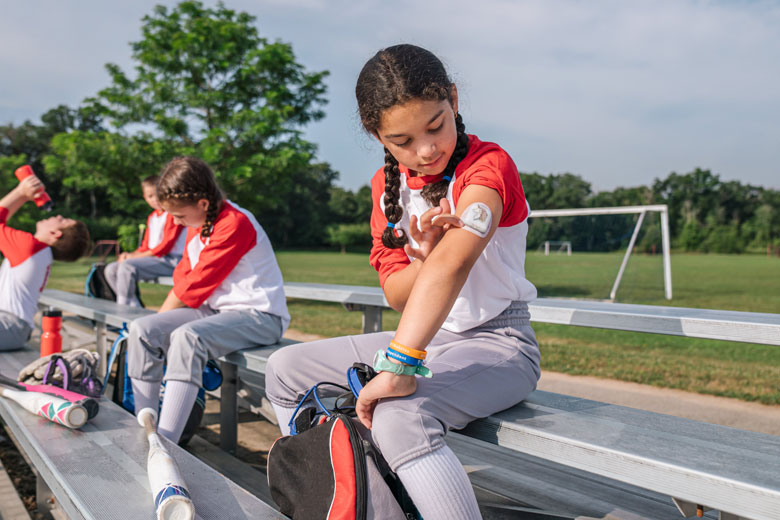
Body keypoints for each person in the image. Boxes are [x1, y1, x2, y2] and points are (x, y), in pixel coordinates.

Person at [265, 44, 540, 519]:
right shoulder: (383, 188)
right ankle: (369, 506)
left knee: (399, 416)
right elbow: (396, 292)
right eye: (403, 140)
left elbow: (455, 265)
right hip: (431, 340)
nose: (426, 149)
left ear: (454, 100)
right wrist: (423, 261)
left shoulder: (487, 166)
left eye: (436, 126)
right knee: (285, 369)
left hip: (501, 342)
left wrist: (399, 365)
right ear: (377, 135)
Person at [126, 156, 289, 443]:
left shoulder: (235, 223)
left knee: (188, 338)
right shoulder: (197, 223)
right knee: (143, 330)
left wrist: (164, 316)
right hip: (217, 312)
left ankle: (166, 443)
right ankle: (146, 430)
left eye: (178, 216)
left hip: (261, 317)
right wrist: (157, 323)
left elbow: (195, 285)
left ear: (202, 203)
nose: (175, 222)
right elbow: (183, 276)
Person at [0, 173, 90, 350]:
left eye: (63, 220)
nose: (57, 216)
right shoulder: (39, 251)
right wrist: (24, 194)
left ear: (56, 234)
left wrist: (20, 193)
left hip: (10, 325)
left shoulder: (31, 248)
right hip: (12, 327)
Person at [104, 175, 186, 307]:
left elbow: (164, 247)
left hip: (173, 260)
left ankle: (122, 307)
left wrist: (132, 258)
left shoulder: (172, 214)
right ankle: (133, 306)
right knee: (111, 269)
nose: (156, 199)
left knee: (127, 266)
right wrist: (128, 255)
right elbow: (145, 246)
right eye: (150, 196)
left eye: (159, 194)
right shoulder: (152, 217)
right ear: (145, 198)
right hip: (156, 259)